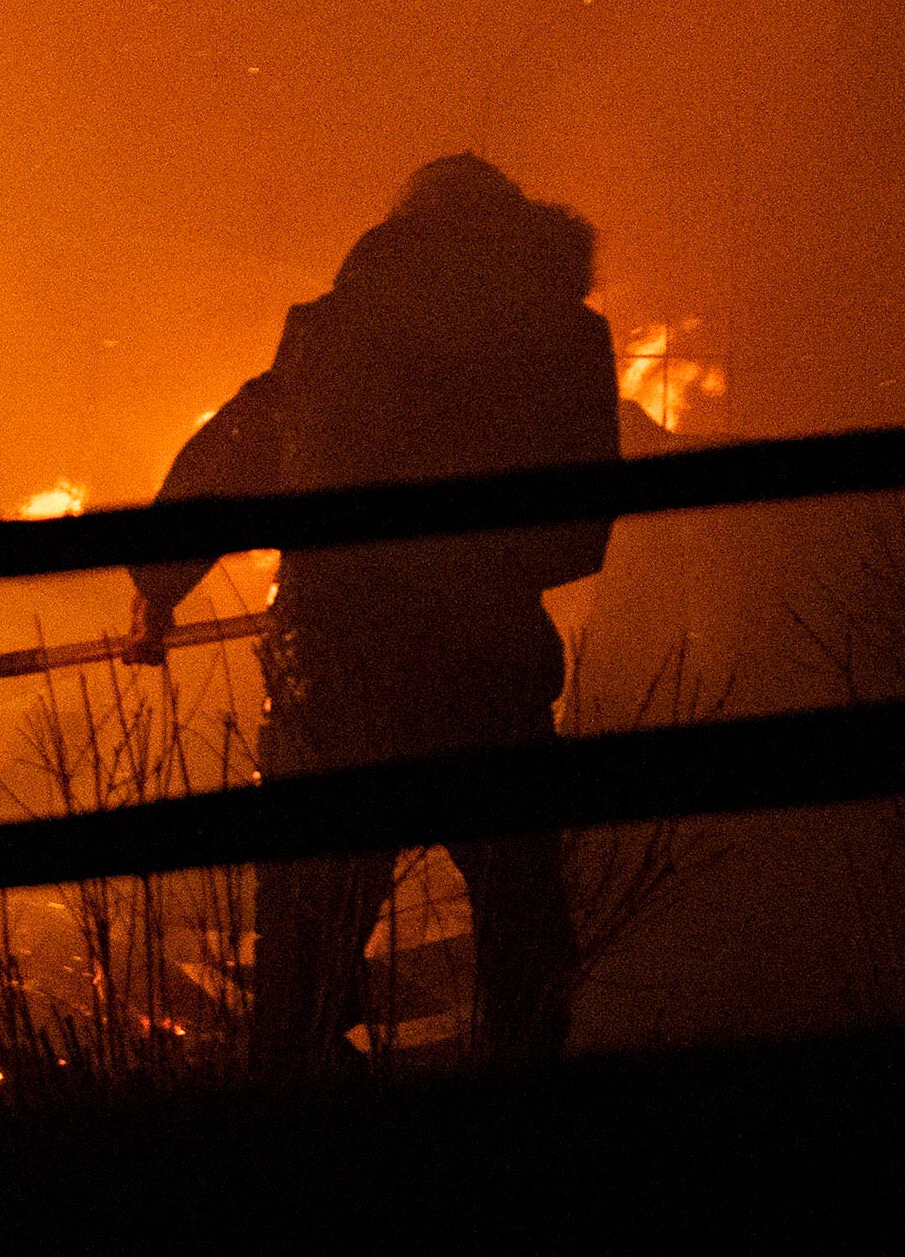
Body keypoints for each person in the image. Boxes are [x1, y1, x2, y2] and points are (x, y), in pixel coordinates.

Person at [127, 153, 625, 1070]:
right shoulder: (565, 342)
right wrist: (475, 574)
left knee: (306, 948)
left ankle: (299, 1093)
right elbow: (578, 533)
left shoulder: (333, 332)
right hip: (488, 675)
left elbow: (235, 452)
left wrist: (157, 588)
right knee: (524, 934)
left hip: (336, 672)